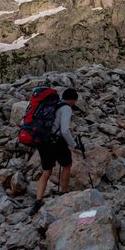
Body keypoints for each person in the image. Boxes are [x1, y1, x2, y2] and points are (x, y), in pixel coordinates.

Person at [29, 88, 80, 216]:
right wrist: (74, 145)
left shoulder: (50, 104)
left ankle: (38, 201)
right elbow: (65, 130)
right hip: (56, 142)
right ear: (73, 99)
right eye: (74, 101)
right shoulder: (66, 108)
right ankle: (63, 193)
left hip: (42, 141)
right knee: (67, 165)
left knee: (46, 171)